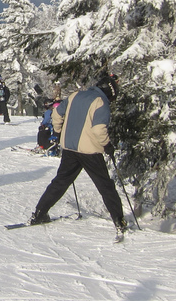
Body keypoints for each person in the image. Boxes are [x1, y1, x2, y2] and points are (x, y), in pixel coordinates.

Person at [28, 74, 127, 241]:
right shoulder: (101, 102)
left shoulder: (75, 95)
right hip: (89, 151)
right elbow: (99, 129)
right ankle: (119, 221)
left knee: (60, 182)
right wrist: (107, 145)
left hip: (69, 148)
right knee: (105, 186)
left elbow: (56, 114)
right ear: (110, 92)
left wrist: (58, 132)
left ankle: (39, 213)